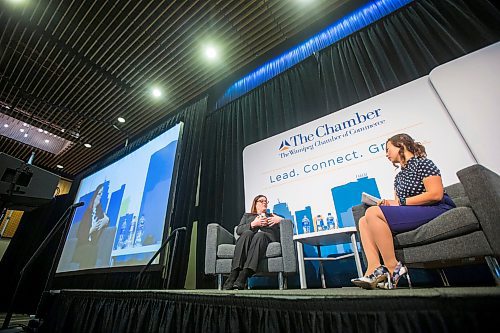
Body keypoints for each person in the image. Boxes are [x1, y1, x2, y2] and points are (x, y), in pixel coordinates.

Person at [352, 133, 456, 290]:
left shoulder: (423, 164)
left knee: (373, 213)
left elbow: (436, 194)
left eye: (388, 149)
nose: (386, 154)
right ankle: (373, 269)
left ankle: (393, 267)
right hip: (414, 211)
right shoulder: (399, 177)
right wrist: (387, 203)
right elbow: (399, 204)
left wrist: (401, 202)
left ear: (401, 144)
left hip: (436, 208)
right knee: (363, 221)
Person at [223, 195, 284, 290]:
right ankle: (234, 274)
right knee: (247, 232)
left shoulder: (273, 216)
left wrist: (280, 220)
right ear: (255, 203)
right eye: (261, 201)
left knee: (260, 235)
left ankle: (244, 274)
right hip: (249, 239)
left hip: (266, 239)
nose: (264, 202)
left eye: (266, 201)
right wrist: (253, 224)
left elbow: (289, 225)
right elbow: (239, 230)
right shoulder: (247, 216)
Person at [73, 183, 110, 269]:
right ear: (95, 195)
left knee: (93, 249)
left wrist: (104, 222)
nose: (100, 197)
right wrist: (91, 231)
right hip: (81, 247)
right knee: (91, 249)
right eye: (99, 194)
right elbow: (79, 235)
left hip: (92, 247)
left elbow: (105, 222)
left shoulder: (100, 214)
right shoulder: (87, 213)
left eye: (102, 195)